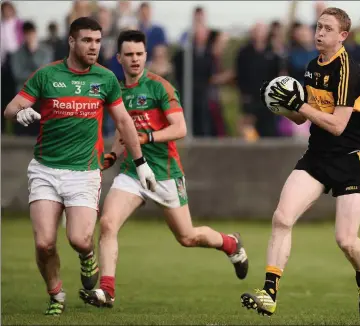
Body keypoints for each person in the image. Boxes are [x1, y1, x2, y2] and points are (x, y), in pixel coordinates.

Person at [78, 30, 248, 308]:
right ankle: (107, 291)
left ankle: (230, 243)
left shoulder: (160, 87)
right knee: (108, 223)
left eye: (139, 54)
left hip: (165, 173)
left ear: (145, 55)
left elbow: (180, 128)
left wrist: (148, 138)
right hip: (133, 172)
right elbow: (124, 131)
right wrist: (113, 154)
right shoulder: (117, 91)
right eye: (129, 55)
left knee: (188, 237)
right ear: (119, 58)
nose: (135, 60)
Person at [3, 17, 156, 316]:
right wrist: (21, 113)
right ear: (71, 42)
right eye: (87, 40)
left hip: (84, 172)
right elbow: (11, 107)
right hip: (45, 169)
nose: (94, 47)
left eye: (98, 41)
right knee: (45, 243)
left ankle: (87, 255)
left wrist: (141, 164)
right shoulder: (47, 75)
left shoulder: (105, 78)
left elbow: (124, 122)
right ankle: (56, 294)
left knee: (79, 238)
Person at [240, 7, 360, 320]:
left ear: (343, 36)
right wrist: (278, 104)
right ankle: (269, 294)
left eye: (328, 29)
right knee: (282, 217)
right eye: (318, 27)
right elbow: (303, 116)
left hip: (351, 157)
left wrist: (298, 103)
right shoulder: (312, 65)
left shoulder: (348, 70)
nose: (319, 33)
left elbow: (339, 125)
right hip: (318, 154)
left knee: (345, 240)